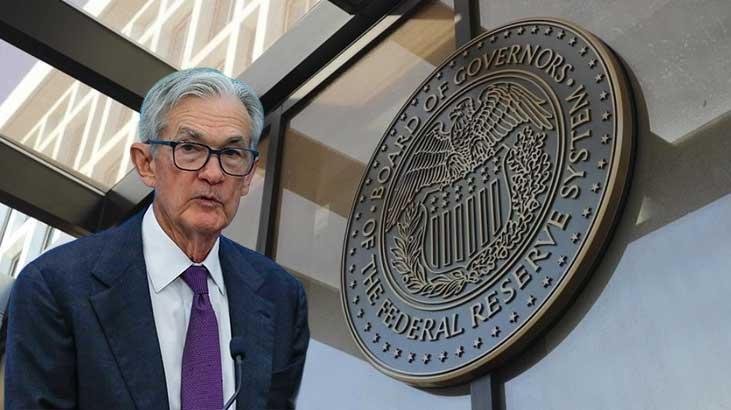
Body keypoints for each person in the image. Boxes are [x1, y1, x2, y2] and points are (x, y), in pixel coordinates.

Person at [5, 67, 309, 410]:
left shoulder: (280, 296)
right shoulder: (56, 285)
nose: (213, 174)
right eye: (190, 148)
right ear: (146, 164)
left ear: (248, 176)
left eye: (231, 154)